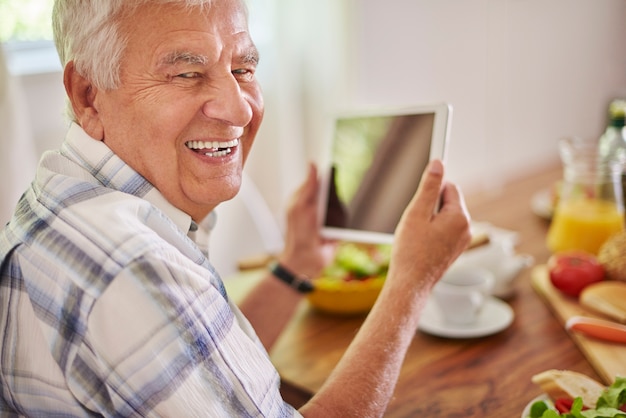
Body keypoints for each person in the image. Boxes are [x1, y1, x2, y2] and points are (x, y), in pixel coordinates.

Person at [0, 0, 471, 416]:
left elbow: (201, 367)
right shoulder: (131, 265)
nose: (240, 110)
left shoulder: (66, 193)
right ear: (87, 95)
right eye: (187, 73)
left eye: (243, 69)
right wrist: (411, 282)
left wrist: (299, 263)